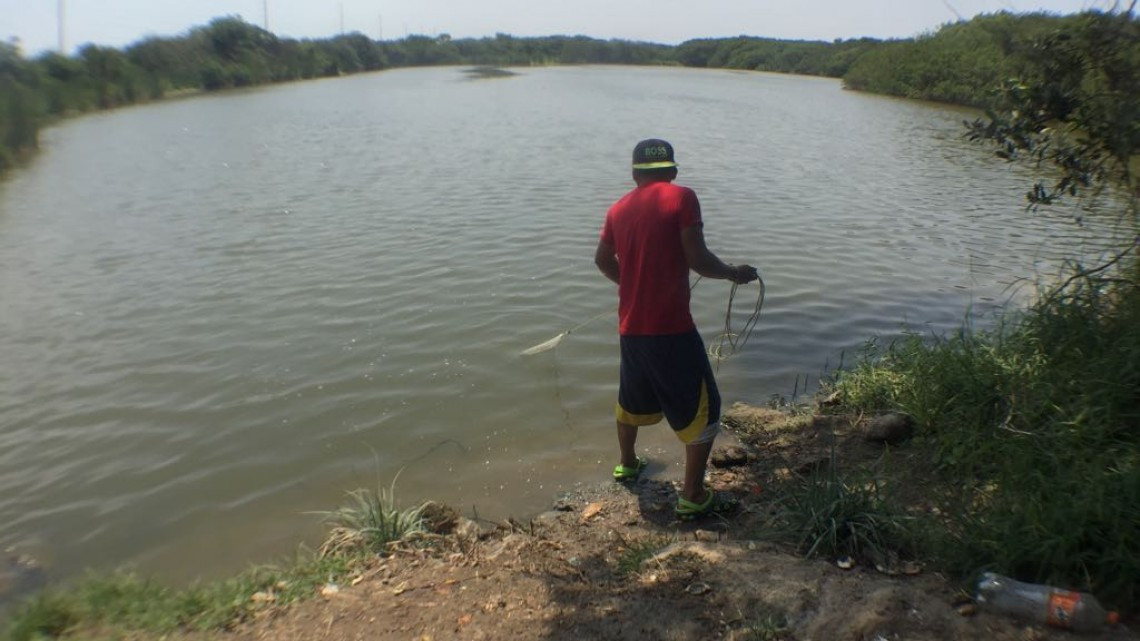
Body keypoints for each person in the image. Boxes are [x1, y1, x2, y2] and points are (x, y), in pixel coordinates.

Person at [594, 138, 759, 520]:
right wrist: (735, 273)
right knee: (705, 407)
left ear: (635, 173)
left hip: (632, 328)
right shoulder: (682, 197)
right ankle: (693, 494)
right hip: (671, 330)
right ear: (672, 170)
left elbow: (602, 259)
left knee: (631, 397)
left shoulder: (618, 208)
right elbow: (698, 259)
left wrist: (632, 284)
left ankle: (628, 463)